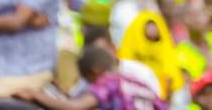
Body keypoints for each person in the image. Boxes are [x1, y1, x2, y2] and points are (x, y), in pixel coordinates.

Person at [14, 45, 168, 109]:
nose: (91, 85)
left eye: (88, 80)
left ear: (95, 72)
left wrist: (36, 95)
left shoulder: (108, 81)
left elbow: (74, 108)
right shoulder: (137, 82)